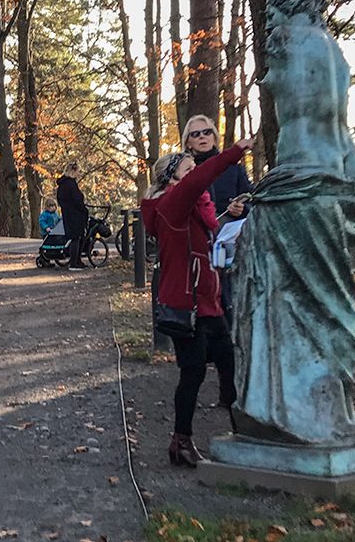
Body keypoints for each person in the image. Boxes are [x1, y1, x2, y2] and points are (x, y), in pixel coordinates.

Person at [140, 138, 253, 468]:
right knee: (192, 374)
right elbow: (200, 180)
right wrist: (234, 152)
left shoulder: (195, 208)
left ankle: (241, 436)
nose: (197, 175)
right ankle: (181, 442)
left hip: (210, 303)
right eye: (189, 170)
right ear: (173, 179)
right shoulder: (173, 204)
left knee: (228, 366)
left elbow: (201, 245)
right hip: (186, 305)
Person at [182, 114, 253, 326]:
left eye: (207, 132)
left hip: (229, 246)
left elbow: (253, 202)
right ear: (188, 141)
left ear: (215, 136)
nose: (202, 137)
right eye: (196, 134)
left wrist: (241, 208)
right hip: (194, 248)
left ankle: (231, 344)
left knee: (229, 296)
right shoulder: (184, 170)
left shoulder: (234, 169)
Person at [56, 162, 89, 271]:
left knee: (76, 237)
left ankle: (77, 261)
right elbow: (77, 199)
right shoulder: (71, 184)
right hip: (75, 214)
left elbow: (60, 200)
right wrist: (83, 209)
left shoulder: (62, 184)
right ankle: (74, 263)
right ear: (73, 171)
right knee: (76, 237)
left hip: (67, 213)